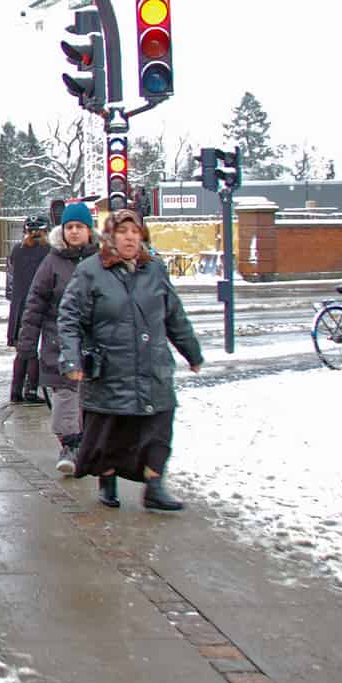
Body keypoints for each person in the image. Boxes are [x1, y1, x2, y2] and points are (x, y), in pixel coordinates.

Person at [57, 208, 203, 512]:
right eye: (123, 232)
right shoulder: (91, 271)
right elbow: (69, 318)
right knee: (109, 430)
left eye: (135, 232)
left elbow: (174, 314)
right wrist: (72, 360)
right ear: (110, 235)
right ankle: (107, 482)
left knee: (158, 428)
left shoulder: (155, 270)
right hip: (111, 369)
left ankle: (154, 486)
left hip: (153, 368)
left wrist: (191, 352)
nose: (130, 238)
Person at [15, 202, 99, 475]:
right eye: (70, 227)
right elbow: (35, 304)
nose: (74, 232)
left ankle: (87, 446)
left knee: (92, 400)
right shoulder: (51, 263)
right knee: (64, 398)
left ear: (89, 230)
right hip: (58, 344)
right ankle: (70, 446)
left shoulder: (101, 261)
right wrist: (26, 345)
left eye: (80, 227)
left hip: (95, 347)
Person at [5, 214, 50, 404]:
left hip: (19, 303)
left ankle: (15, 392)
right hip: (39, 303)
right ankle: (31, 391)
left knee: (22, 350)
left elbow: (9, 278)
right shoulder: (49, 251)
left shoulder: (17, 250)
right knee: (33, 351)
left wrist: (13, 297)